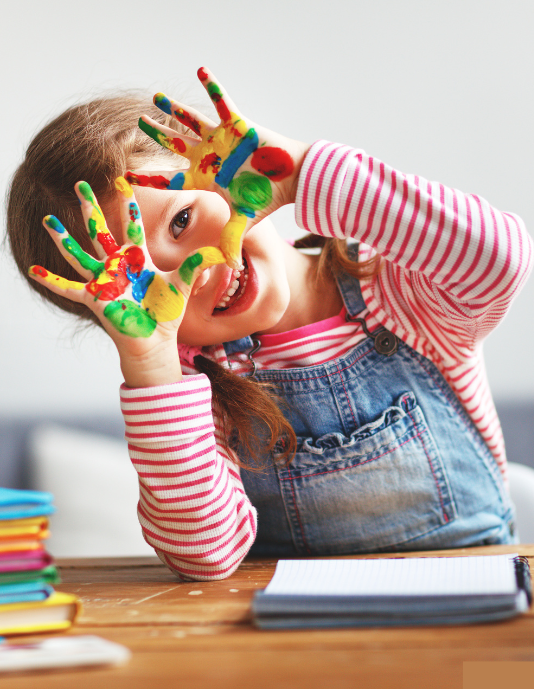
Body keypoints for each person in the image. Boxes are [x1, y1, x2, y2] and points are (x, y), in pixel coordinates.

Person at [7, 68, 532, 581]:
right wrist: (151, 365)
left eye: (181, 220)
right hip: (291, 641)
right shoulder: (194, 386)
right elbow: (205, 555)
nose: (195, 269)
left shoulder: (397, 290)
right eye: (139, 281)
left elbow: (498, 260)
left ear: (225, 172)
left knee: (486, 676)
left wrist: (299, 171)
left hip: (476, 598)